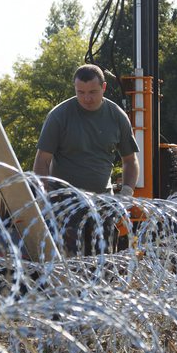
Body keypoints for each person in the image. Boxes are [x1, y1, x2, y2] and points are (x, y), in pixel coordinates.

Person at [33, 64, 139, 253]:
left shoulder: (117, 117)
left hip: (102, 203)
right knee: (70, 266)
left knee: (104, 264)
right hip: (65, 204)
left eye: (93, 92)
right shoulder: (59, 116)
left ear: (104, 88)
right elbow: (42, 161)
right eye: (80, 92)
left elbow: (130, 161)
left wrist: (126, 194)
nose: (87, 98)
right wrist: (44, 197)